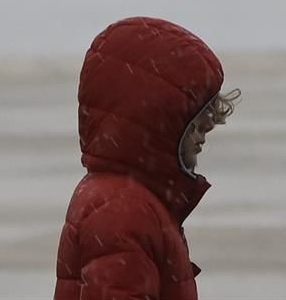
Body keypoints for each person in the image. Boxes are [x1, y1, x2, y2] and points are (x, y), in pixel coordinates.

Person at [55, 17, 239, 300]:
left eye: (207, 124)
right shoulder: (123, 210)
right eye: (196, 124)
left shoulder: (130, 198)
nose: (203, 136)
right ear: (156, 122)